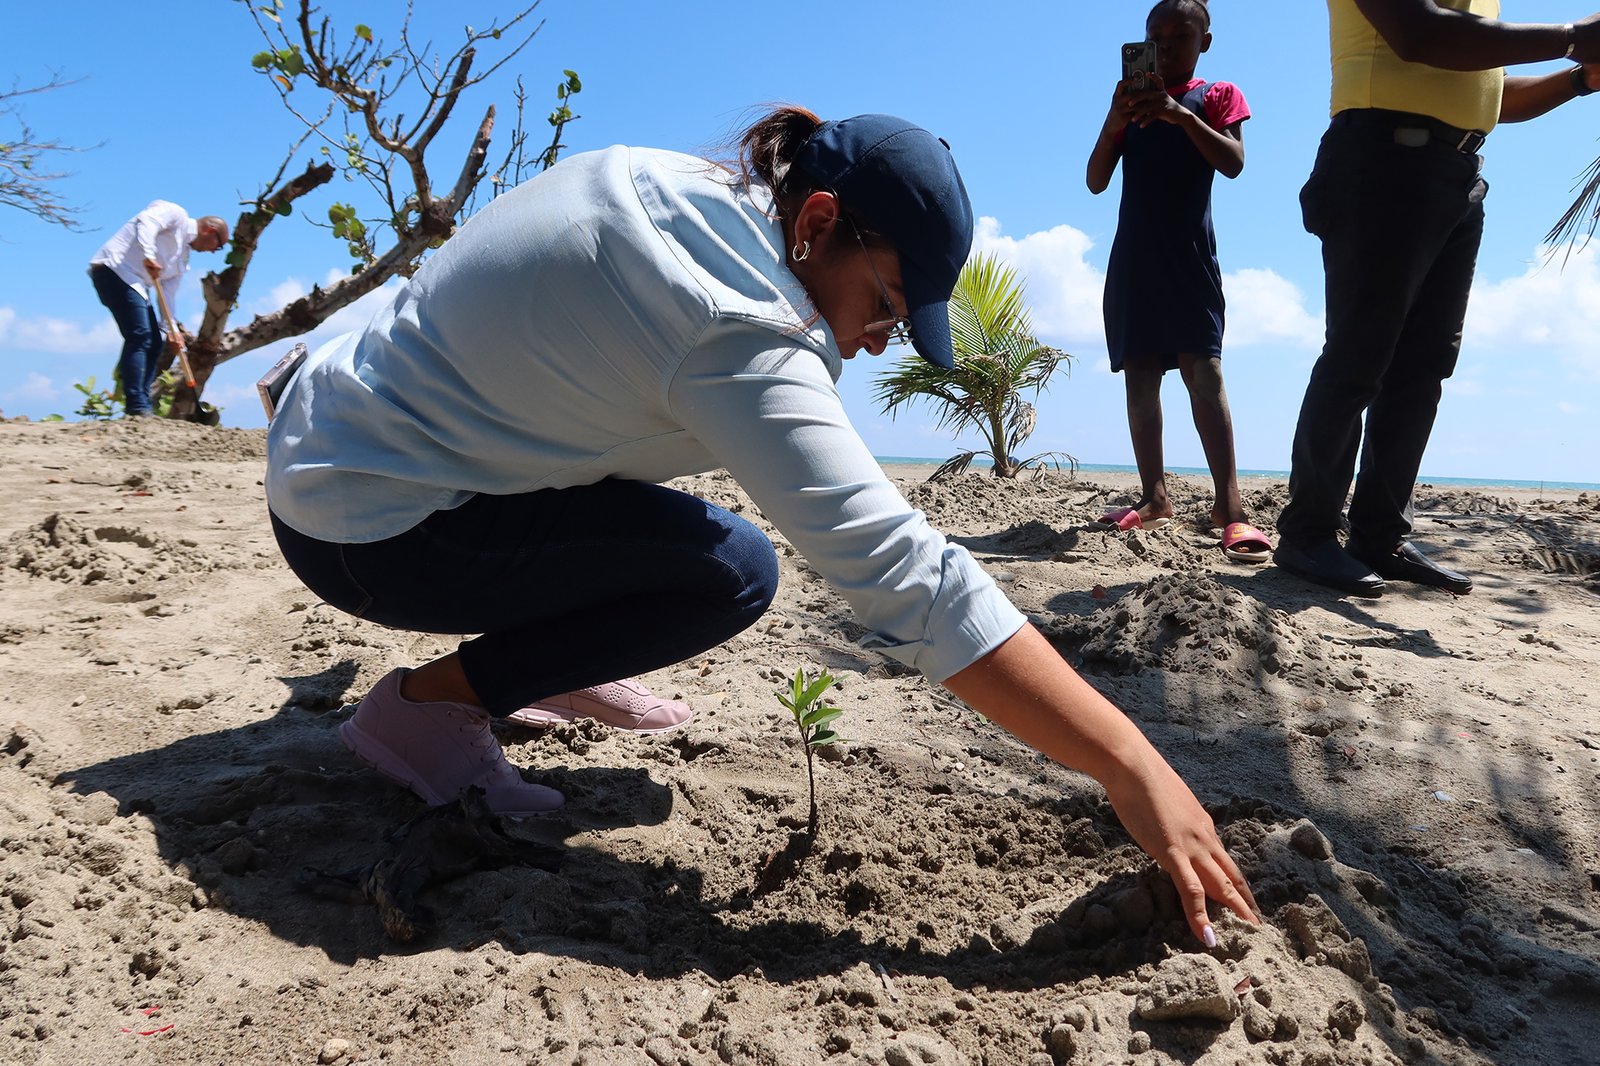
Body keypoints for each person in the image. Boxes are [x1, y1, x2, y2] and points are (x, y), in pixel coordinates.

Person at [264, 107, 1258, 945]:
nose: (878, 343)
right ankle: (427, 709)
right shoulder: (735, 315)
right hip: (365, 527)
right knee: (731, 571)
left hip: (337, 421)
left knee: (677, 516)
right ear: (817, 221)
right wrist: (1129, 763)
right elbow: (907, 578)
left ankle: (548, 658)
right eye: (886, 303)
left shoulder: (667, 179)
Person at [1275, 0, 1600, 596]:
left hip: (1456, 174)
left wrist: (1581, 79)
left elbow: (1492, 97)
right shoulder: (1441, 21)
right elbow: (1418, 35)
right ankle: (1307, 533)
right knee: (1359, 355)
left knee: (1424, 366)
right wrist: (1575, 36)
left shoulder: (1482, 9)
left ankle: (1379, 536)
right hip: (1382, 162)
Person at [1086, 0, 1272, 562]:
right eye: (1155, 35)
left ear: (1204, 41)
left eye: (1179, 34)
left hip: (1190, 259)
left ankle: (1230, 509)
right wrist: (1115, 120)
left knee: (1204, 373)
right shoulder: (1129, 102)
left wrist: (1179, 115)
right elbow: (1095, 180)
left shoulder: (1216, 95)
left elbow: (1233, 162)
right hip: (1133, 261)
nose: (1165, 45)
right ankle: (1154, 498)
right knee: (1140, 379)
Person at [88, 201, 229, 417]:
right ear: (209, 231)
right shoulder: (176, 215)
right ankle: (136, 404)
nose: (213, 252)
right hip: (115, 270)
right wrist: (149, 255)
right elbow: (146, 221)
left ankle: (142, 401)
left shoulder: (182, 257)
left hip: (136, 284)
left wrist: (171, 329)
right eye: (218, 246)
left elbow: (168, 292)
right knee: (140, 335)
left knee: (155, 341)